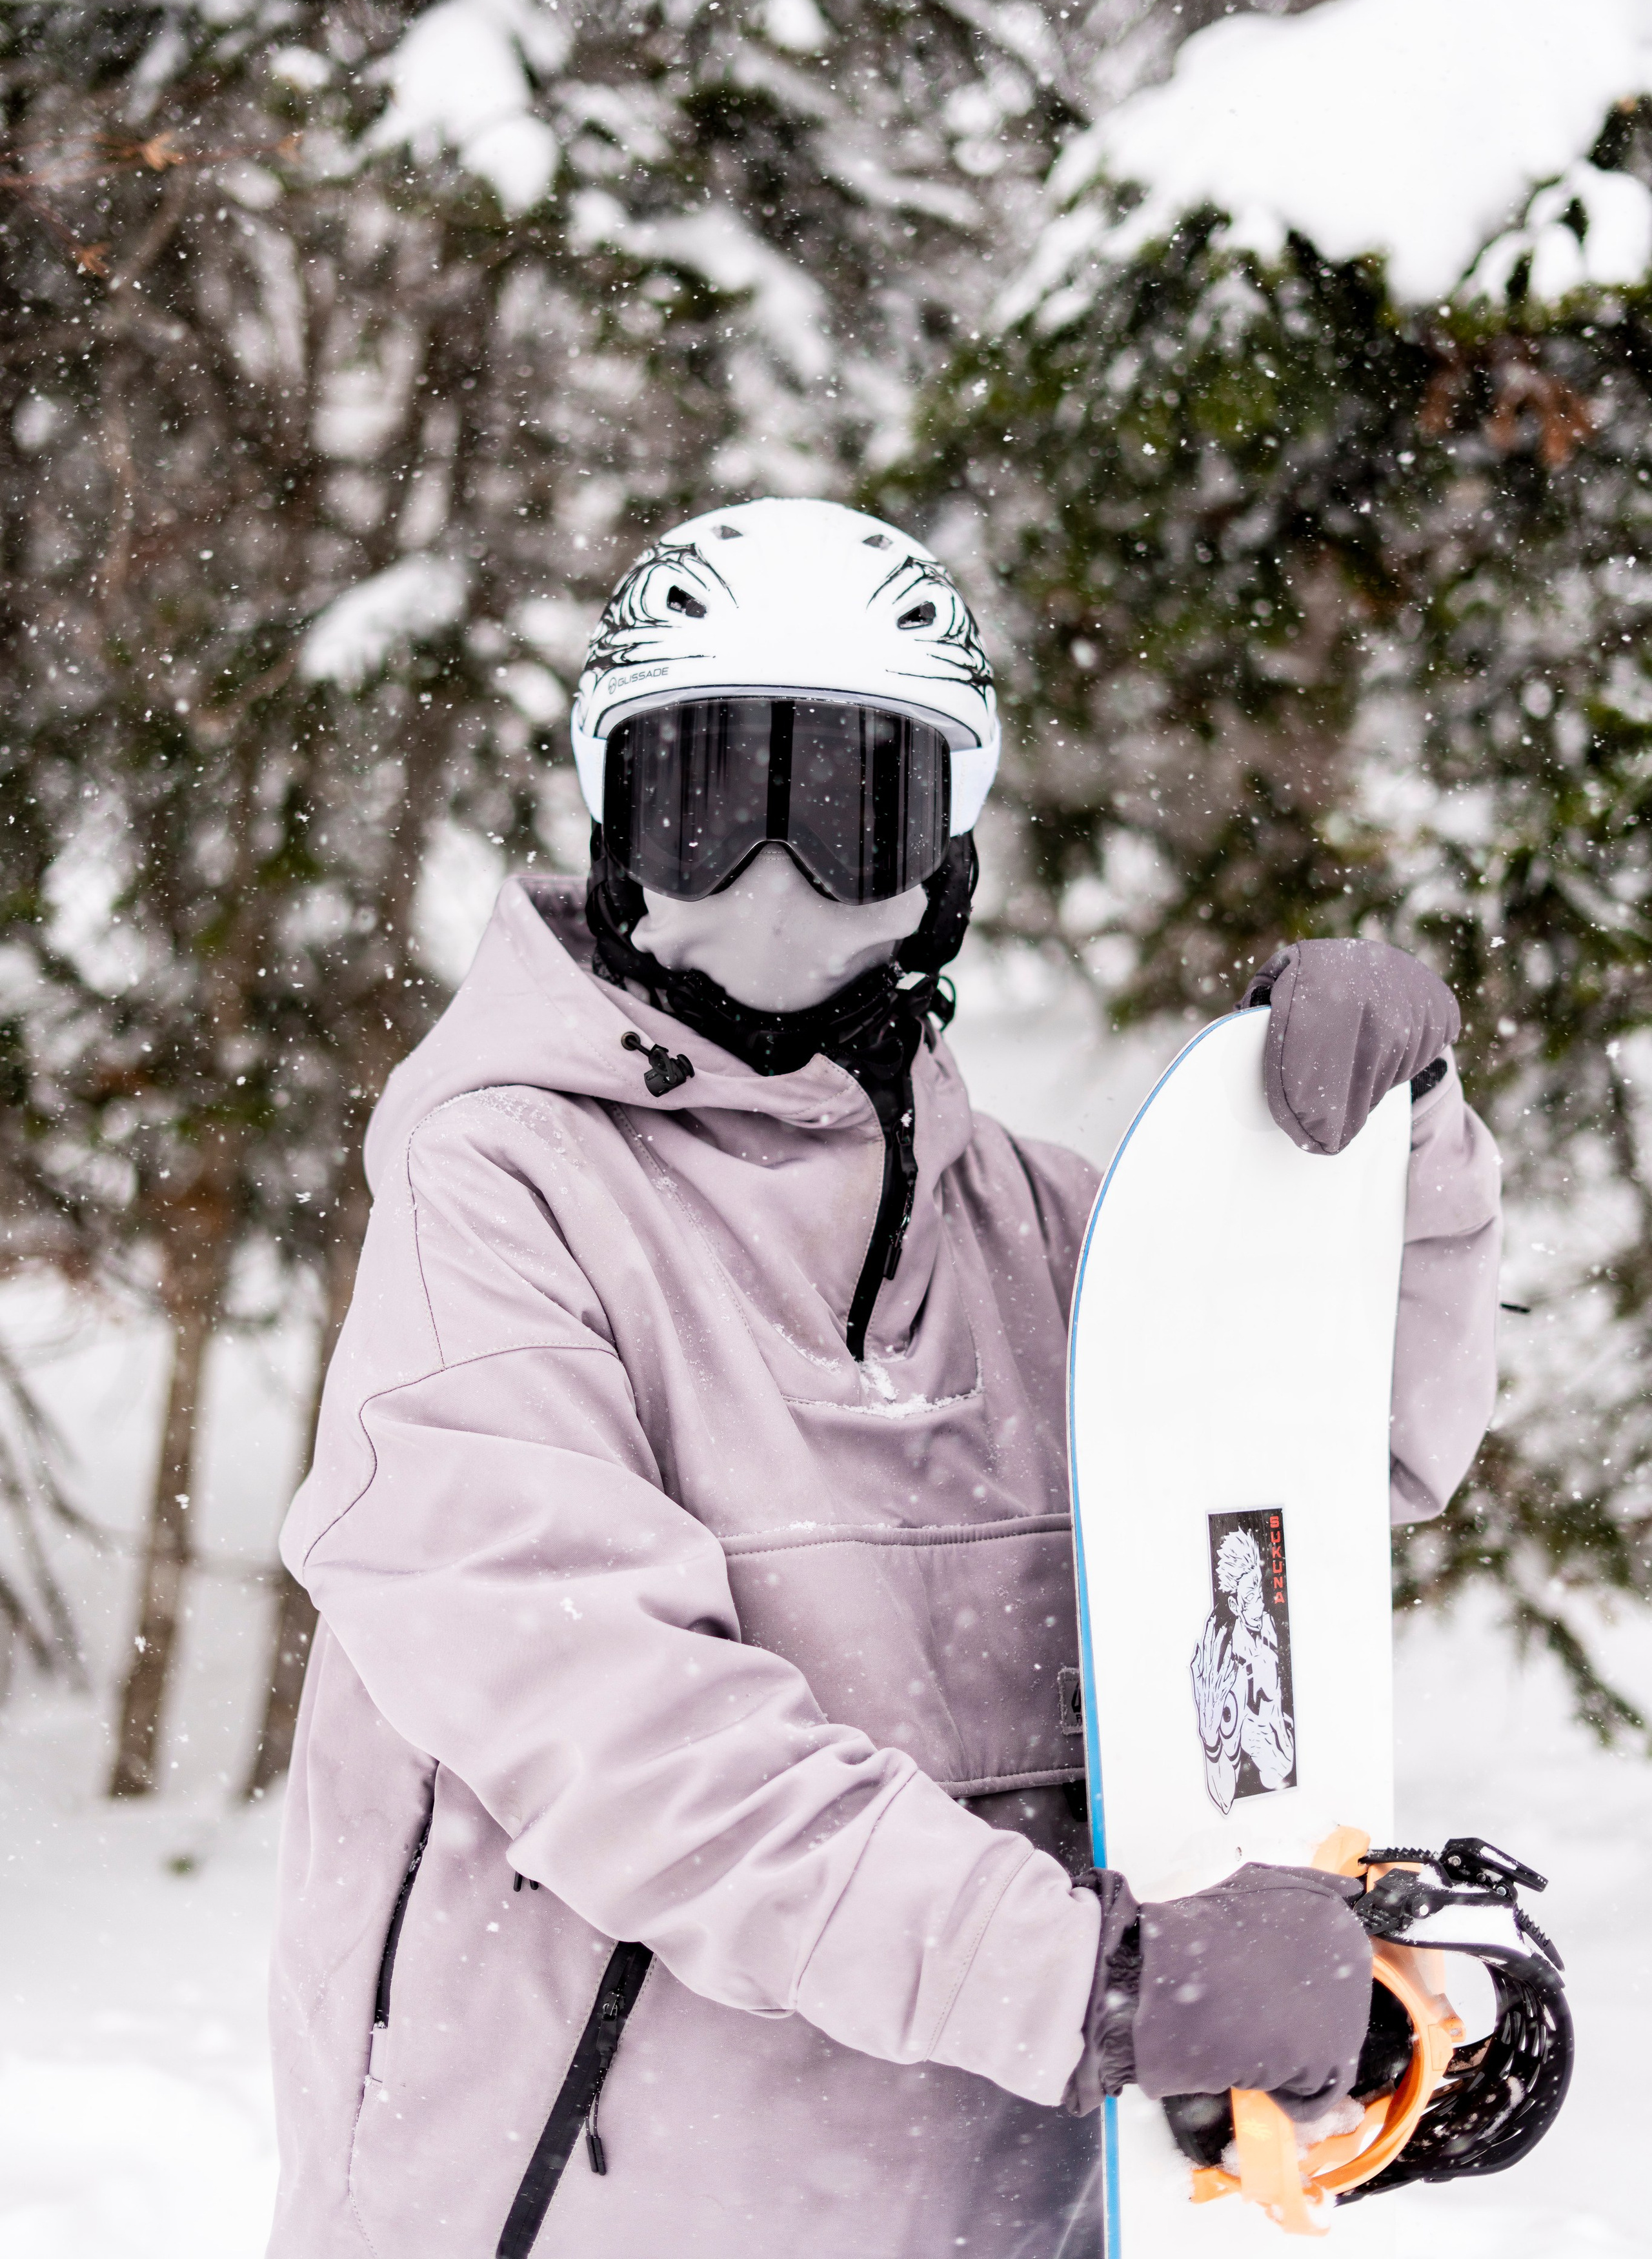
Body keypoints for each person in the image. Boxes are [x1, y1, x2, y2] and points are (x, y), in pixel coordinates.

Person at [266, 499, 1502, 2259]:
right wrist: (1096, 1982)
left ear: (949, 852)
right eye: (711, 801)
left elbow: (1322, 1473)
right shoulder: (500, 1198)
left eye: (848, 810)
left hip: (999, 2212)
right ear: (617, 824)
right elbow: (624, 1738)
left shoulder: (1058, 1239)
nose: (775, 879)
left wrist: (1381, 1162)